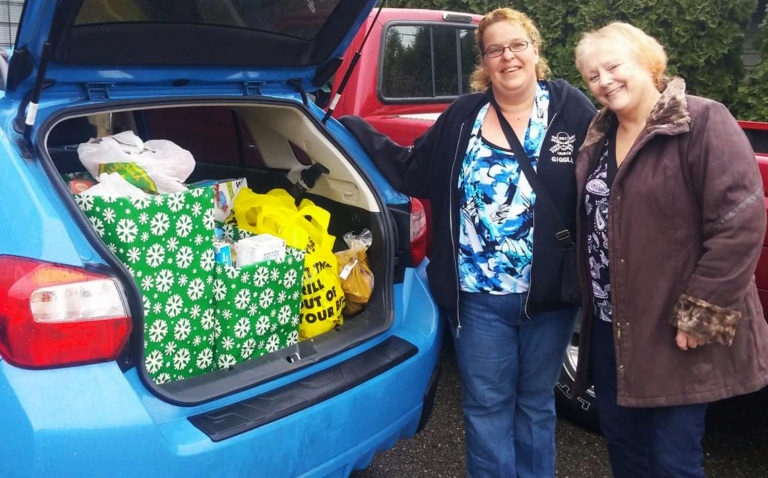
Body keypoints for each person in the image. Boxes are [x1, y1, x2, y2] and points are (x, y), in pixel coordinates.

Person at [340, 8, 595, 477]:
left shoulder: (570, 108)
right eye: (495, 49)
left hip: (550, 297)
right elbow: (413, 169)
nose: (508, 56)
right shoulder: (464, 114)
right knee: (487, 407)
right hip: (477, 298)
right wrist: (349, 128)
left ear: (535, 50)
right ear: (484, 62)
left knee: (535, 406)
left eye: (517, 44)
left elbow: (609, 173)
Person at [572, 22, 768, 477]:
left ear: (649, 63)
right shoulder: (599, 136)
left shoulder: (701, 121)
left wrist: (702, 314)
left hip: (675, 329)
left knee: (672, 459)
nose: (604, 81)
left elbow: (739, 221)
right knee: (624, 446)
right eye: (592, 75)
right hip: (610, 325)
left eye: (614, 66)